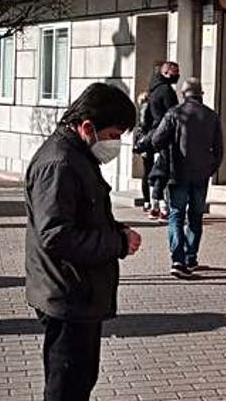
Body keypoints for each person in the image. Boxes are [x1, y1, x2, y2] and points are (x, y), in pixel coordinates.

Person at [25, 83, 143, 401]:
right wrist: (116, 243)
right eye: (114, 135)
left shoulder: (77, 156)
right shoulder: (59, 164)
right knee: (66, 387)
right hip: (67, 294)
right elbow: (56, 235)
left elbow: (82, 216)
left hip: (79, 293)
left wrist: (117, 231)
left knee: (80, 381)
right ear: (88, 127)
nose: (116, 144)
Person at [138, 78, 223, 279]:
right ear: (200, 94)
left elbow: (157, 140)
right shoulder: (211, 116)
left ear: (184, 94)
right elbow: (219, 150)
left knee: (176, 215)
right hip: (201, 175)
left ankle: (177, 259)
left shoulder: (175, 114)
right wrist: (210, 168)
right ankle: (190, 256)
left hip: (178, 173)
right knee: (195, 216)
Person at [141, 61, 180, 220]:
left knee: (154, 172)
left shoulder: (154, 90)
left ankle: (154, 206)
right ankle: (162, 208)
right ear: (165, 73)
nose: (177, 76)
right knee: (164, 172)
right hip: (164, 136)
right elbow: (173, 114)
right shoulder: (166, 91)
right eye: (175, 73)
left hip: (153, 135)